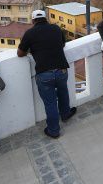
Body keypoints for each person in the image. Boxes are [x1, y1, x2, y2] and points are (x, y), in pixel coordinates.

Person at [18, 10, 77, 138]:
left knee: (50, 103)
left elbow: (20, 53)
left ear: (33, 21)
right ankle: (65, 114)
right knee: (63, 92)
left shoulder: (29, 33)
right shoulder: (56, 28)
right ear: (46, 18)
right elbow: (62, 44)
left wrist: (32, 49)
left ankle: (54, 130)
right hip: (61, 69)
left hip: (44, 73)